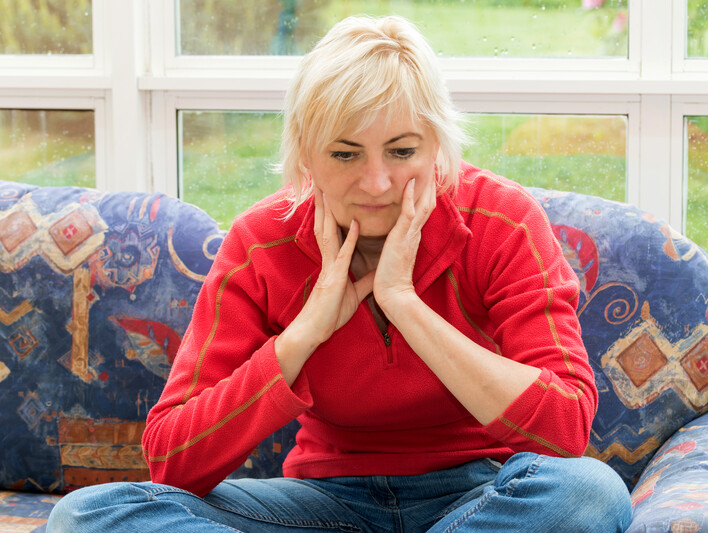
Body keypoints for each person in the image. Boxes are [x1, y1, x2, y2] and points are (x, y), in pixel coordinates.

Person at [47, 15, 632, 533]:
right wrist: (302, 335)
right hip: (323, 502)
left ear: (437, 146)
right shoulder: (263, 241)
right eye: (345, 154)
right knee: (87, 516)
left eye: (401, 152)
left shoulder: (500, 220)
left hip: (481, 496)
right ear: (305, 155)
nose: (376, 183)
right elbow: (173, 460)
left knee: (588, 493)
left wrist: (403, 301)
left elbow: (565, 429)